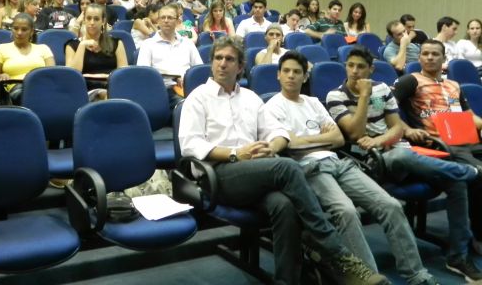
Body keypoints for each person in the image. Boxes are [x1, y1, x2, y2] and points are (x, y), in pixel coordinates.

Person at [178, 37, 388, 285]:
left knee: (285, 206)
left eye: (229, 59)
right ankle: (338, 255)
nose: (222, 64)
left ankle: (287, 280)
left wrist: (271, 147)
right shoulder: (198, 97)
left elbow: (277, 133)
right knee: (287, 167)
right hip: (218, 174)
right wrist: (236, 153)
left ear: (241, 66)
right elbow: (190, 144)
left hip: (253, 171)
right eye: (218, 58)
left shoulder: (250, 98)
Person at [262, 51, 437, 285]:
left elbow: (337, 139)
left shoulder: (313, 102)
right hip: (308, 167)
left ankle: (416, 274)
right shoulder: (272, 107)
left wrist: (307, 139)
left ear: (305, 77)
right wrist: (320, 138)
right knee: (346, 211)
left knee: (391, 205)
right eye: (286, 71)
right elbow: (289, 144)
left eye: (297, 72)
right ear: (278, 75)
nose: (291, 76)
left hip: (339, 162)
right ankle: (369, 279)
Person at [327, 45, 482, 281]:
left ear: (370, 70)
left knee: (454, 182)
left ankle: (458, 256)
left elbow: (396, 127)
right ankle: (471, 172)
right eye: (350, 66)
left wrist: (381, 139)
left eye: (361, 67)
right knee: (403, 156)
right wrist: (364, 97)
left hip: (396, 149)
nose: (355, 71)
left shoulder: (381, 89)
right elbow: (356, 133)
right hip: (370, 161)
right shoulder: (336, 96)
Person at [394, 39, 482, 260]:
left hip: (465, 139)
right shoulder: (410, 81)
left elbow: (469, 116)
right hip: (438, 142)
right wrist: (406, 130)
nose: (430, 57)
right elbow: (388, 110)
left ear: (444, 59)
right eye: (425, 54)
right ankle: (478, 235)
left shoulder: (453, 85)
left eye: (435, 54)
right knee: (479, 174)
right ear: (419, 57)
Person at [137, 4, 203, 108]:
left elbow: (199, 69)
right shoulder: (147, 45)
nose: (166, 21)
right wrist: (174, 78)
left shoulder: (188, 43)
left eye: (170, 18)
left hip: (187, 88)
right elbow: (143, 75)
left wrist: (187, 80)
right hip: (162, 90)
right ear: (158, 21)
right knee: (189, 106)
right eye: (163, 17)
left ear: (177, 21)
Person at [65, 3, 128, 95]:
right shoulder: (72, 45)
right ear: (84, 20)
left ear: (103, 21)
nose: (92, 22)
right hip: (83, 92)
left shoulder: (117, 43)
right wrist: (82, 45)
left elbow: (123, 75)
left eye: (96, 19)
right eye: (88, 18)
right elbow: (72, 76)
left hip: (112, 89)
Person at [0, 13, 55, 104]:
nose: (19, 33)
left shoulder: (43, 48)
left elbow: (51, 75)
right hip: (15, 91)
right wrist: (0, 76)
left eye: (24, 29)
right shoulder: (1, 48)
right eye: (15, 28)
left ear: (31, 32)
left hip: (40, 87)